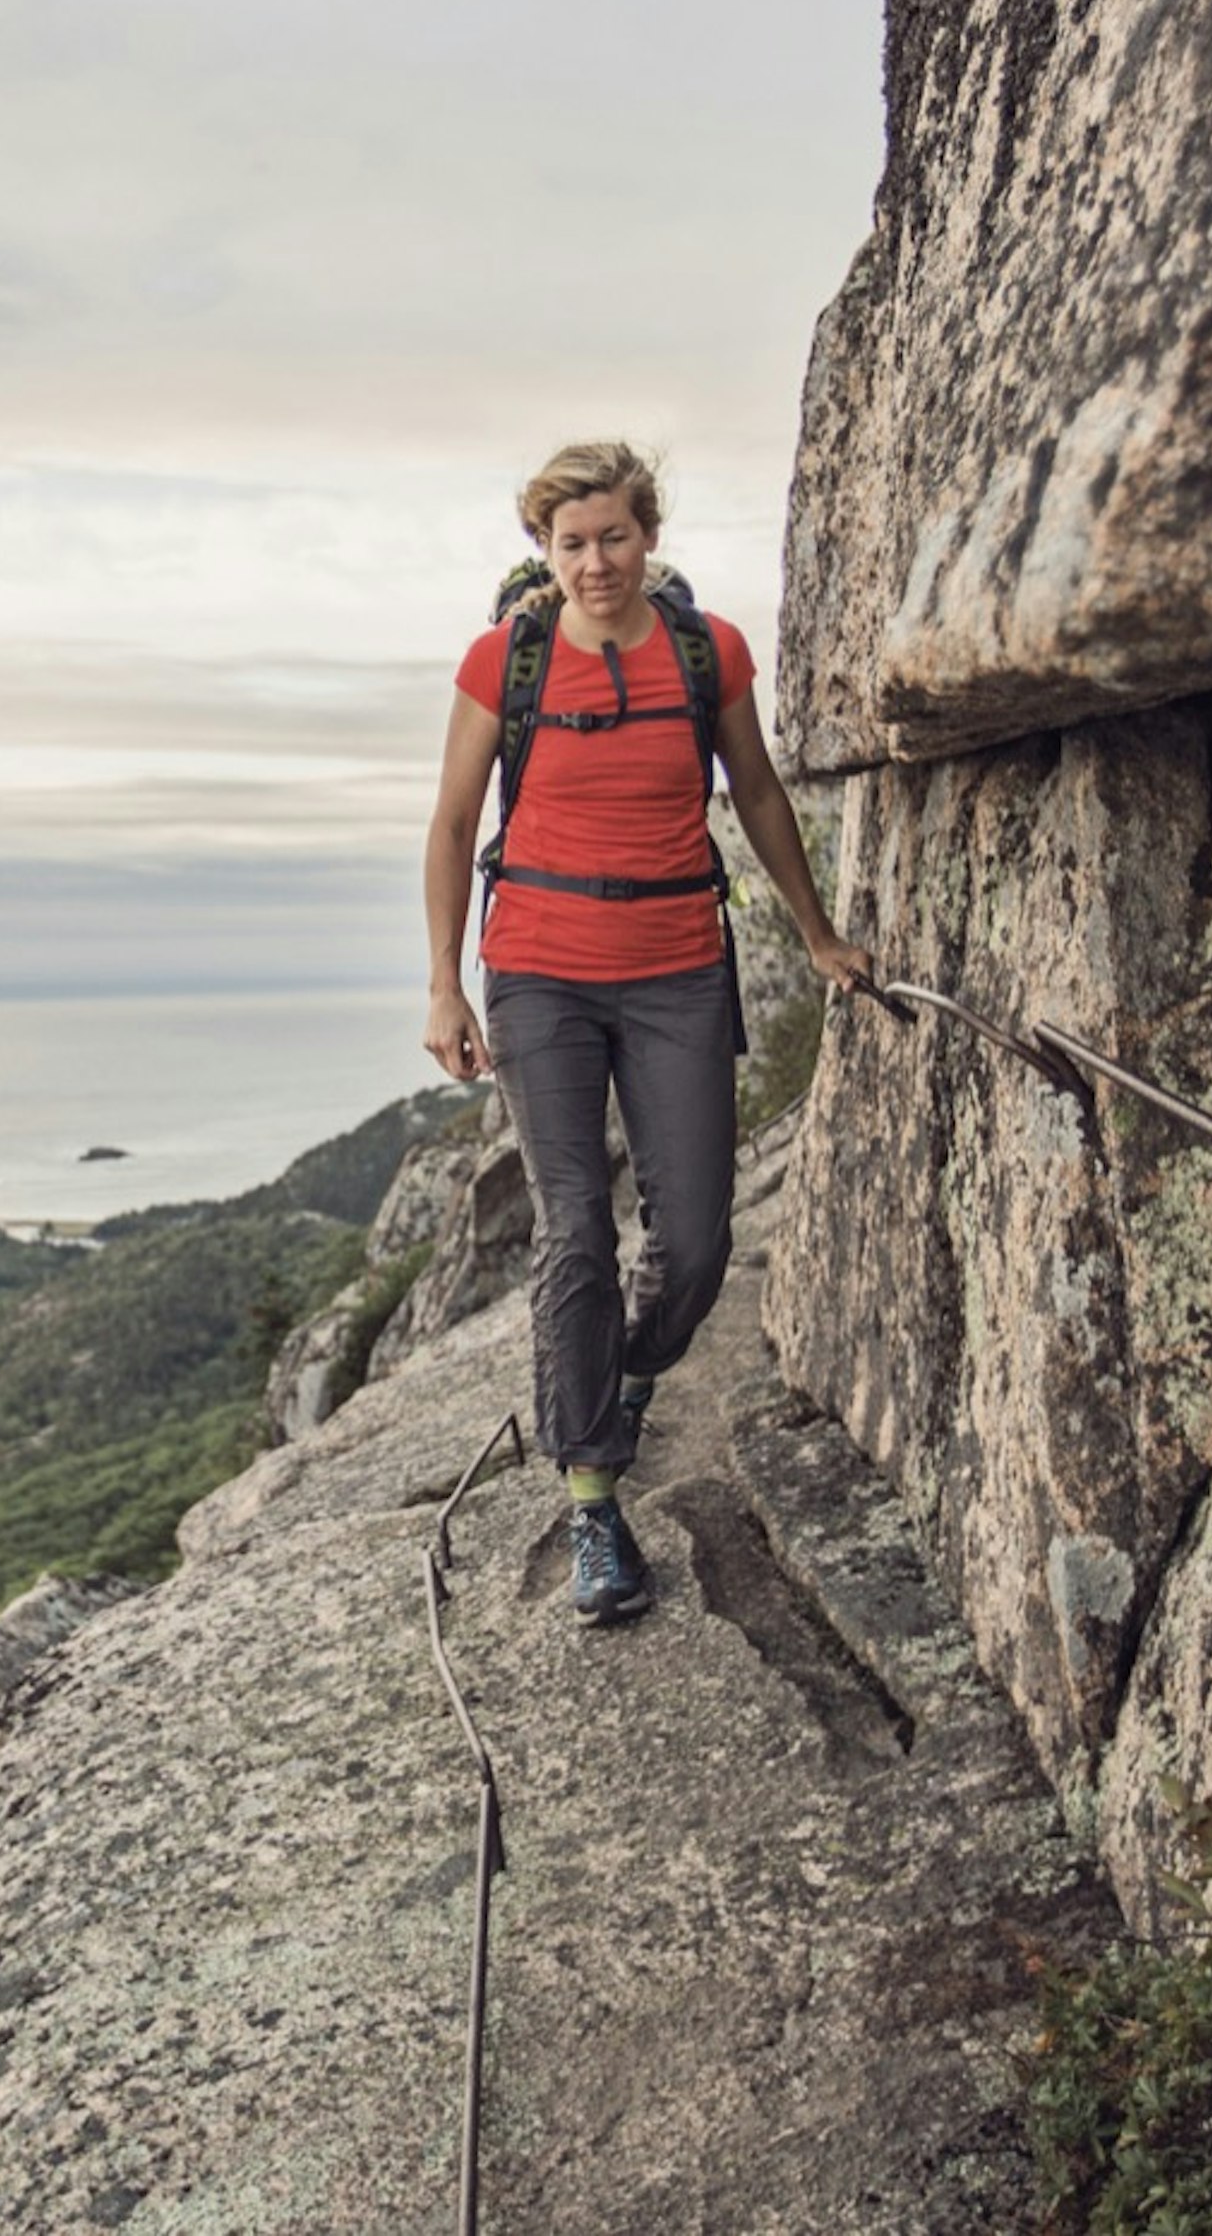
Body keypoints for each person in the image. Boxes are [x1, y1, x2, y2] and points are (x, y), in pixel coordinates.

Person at [421, 441, 877, 1624]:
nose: (594, 561)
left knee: (700, 1239)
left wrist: (820, 936)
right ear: (545, 552)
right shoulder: (505, 659)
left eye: (612, 536)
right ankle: (591, 1499)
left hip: (678, 968)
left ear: (649, 534)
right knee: (572, 1228)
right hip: (539, 978)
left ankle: (617, 1369)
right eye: (570, 543)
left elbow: (761, 791)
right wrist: (442, 987)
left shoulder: (705, 650)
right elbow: (455, 816)